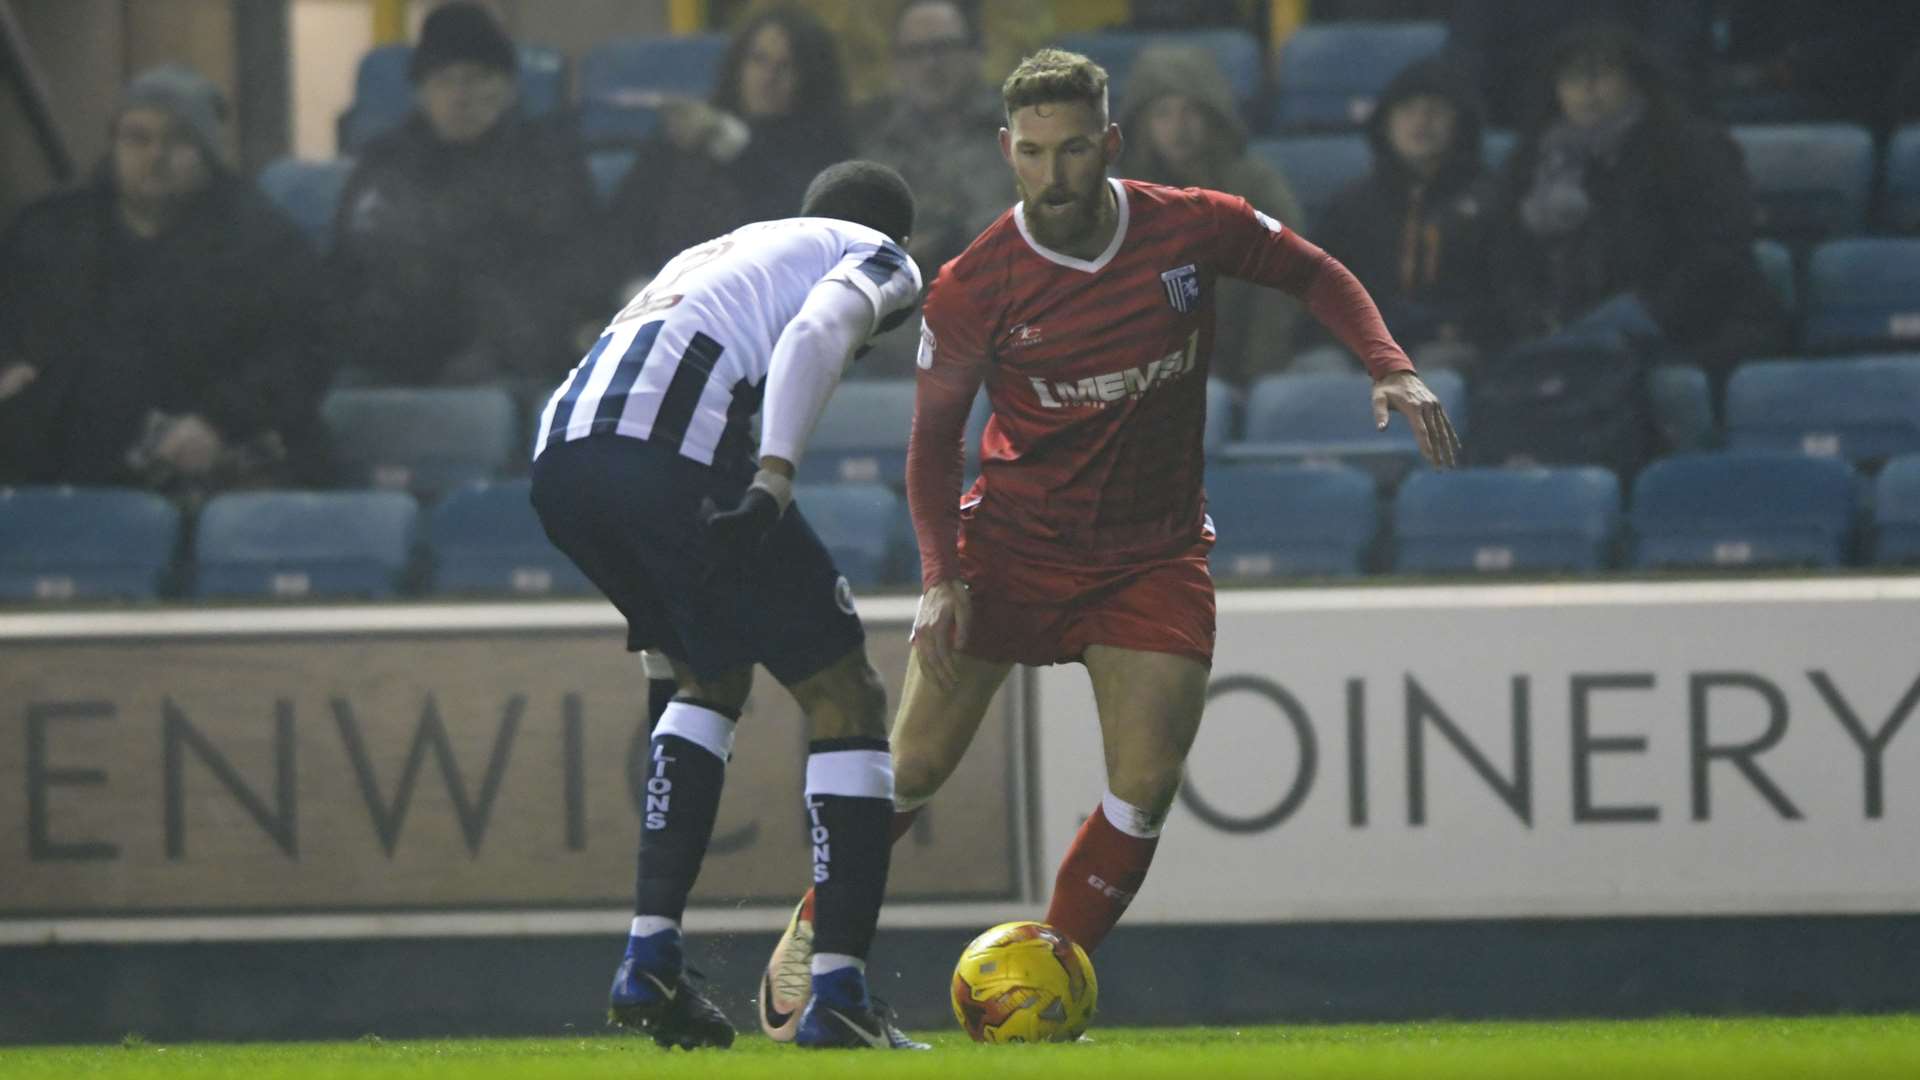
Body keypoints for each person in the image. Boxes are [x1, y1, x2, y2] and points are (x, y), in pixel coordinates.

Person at [755, 48, 1460, 1040]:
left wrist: (1388, 364)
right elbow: (928, 447)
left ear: (1109, 144)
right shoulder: (974, 285)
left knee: (1145, 785)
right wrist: (938, 577)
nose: (1054, 174)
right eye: (1034, 153)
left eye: (1075, 149)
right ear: (1008, 151)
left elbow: (1312, 270)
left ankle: (1049, 983)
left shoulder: (1190, 224)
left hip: (1150, 555)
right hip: (1009, 549)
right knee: (909, 771)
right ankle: (816, 932)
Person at [529, 160, 927, 1052]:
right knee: (848, 695)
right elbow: (822, 329)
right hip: (666, 451)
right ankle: (840, 994)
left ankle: (649, 957)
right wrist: (776, 475)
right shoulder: (877, 255)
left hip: (560, 460)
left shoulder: (722, 251)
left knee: (700, 678)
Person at [0, 64, 327, 491]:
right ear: (114, 144)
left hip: (205, 457)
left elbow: (305, 351)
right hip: (54, 456)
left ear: (209, 153)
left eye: (178, 140)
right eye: (137, 137)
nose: (155, 154)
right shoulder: (49, 229)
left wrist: (220, 421)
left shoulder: (266, 243)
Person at [1483, 23, 1788, 394]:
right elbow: (1506, 258)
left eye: (1602, 74)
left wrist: (1644, 316)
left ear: (1634, 80)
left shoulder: (1691, 148)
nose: (1588, 89)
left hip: (1694, 330)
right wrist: (1534, 318)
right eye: (1574, 78)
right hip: (1565, 334)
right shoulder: (1531, 161)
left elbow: (1720, 253)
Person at [330, 1, 601, 391]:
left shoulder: (547, 163)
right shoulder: (385, 165)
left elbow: (573, 273)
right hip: (392, 347)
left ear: (507, 88)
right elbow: (349, 262)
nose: (460, 96)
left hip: (505, 355)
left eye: (476, 78)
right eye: (443, 80)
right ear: (421, 94)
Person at [604, 5, 854, 282]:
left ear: (810, 78)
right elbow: (622, 224)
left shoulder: (826, 149)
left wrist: (736, 148)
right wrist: (631, 286)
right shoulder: (688, 132)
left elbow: (795, 231)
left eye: (786, 66)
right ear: (738, 65)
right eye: (758, 60)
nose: (768, 78)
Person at [1115, 44, 1306, 385]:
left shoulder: (1255, 186)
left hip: (1241, 367)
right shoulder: (1120, 197)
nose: (1178, 127)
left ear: (1214, 117)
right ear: (1142, 124)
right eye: (1163, 113)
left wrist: (1255, 376)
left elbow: (1281, 284)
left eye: (1191, 112)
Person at [1296, 56, 1491, 374]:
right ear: (1385, 124)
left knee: (1434, 371)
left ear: (1461, 124)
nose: (1421, 122)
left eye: (1435, 111)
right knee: (1318, 369)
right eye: (1407, 111)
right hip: (1359, 345)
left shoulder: (1490, 202)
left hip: (1451, 345)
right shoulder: (1349, 205)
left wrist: (1464, 328)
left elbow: (1507, 297)